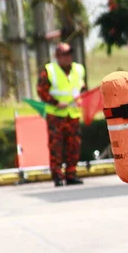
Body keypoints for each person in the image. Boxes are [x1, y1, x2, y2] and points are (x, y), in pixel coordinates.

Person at [37, 42, 86, 187]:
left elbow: (82, 86)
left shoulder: (78, 69)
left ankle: (71, 174)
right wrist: (55, 102)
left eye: (69, 54)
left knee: (74, 145)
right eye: (64, 55)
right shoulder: (49, 70)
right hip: (56, 115)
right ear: (57, 56)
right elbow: (41, 90)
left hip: (73, 113)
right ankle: (57, 175)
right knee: (56, 146)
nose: (68, 57)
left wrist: (82, 96)